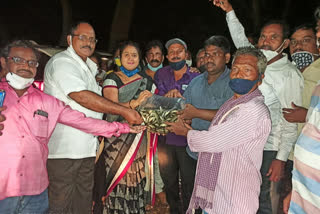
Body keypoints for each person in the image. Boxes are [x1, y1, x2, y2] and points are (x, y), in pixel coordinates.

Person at [0, 40, 144, 213]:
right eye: (18, 60)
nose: (26, 66)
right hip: (3, 193)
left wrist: (124, 127)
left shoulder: (46, 102)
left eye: (32, 62)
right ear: (4, 62)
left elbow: (84, 122)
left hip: (35, 195)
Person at [213, 1, 304, 213]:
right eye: (263, 36)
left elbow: (289, 120)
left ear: (286, 42)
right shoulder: (256, 62)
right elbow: (240, 39)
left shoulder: (290, 74)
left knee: (265, 202)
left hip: (269, 148)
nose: (266, 41)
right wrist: (229, 11)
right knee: (244, 196)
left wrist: (280, 158)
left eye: (274, 38)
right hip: (244, 143)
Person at [44, 22, 142, 213]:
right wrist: (125, 112)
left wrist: (130, 107)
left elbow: (102, 100)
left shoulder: (88, 66)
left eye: (92, 39)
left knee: (82, 203)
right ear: (69, 39)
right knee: (61, 204)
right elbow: (82, 96)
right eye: (83, 37)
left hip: (87, 148)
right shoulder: (63, 63)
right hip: (65, 150)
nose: (88, 42)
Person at [167, 47, 271, 214]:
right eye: (236, 69)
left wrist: (185, 132)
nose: (239, 74)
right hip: (219, 191)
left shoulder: (253, 109)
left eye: (247, 70)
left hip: (235, 197)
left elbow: (212, 141)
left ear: (260, 78)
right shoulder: (236, 102)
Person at [93, 41, 158, 214]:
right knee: (115, 178)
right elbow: (110, 107)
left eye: (134, 55)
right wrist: (133, 103)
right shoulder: (111, 78)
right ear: (120, 58)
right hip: (115, 137)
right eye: (126, 55)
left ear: (140, 59)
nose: (130, 58)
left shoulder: (148, 82)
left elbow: (151, 111)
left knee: (136, 178)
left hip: (138, 140)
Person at [154, 38, 200, 214]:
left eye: (179, 51)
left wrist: (182, 99)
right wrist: (166, 97)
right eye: (171, 52)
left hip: (186, 139)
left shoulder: (197, 77)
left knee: (189, 183)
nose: (175, 54)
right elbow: (154, 99)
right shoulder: (161, 74)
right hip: (165, 137)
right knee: (169, 182)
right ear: (167, 56)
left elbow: (198, 105)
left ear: (186, 54)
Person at [282, 6, 320, 214]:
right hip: (291, 155)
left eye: (305, 40)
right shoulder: (289, 71)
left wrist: (306, 115)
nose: (298, 47)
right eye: (294, 42)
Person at [182, 35, 234, 161]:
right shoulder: (195, 81)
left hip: (220, 155)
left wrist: (196, 113)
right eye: (206, 54)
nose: (209, 58)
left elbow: (232, 115)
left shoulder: (234, 83)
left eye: (215, 54)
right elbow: (183, 109)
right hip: (194, 152)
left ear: (227, 58)